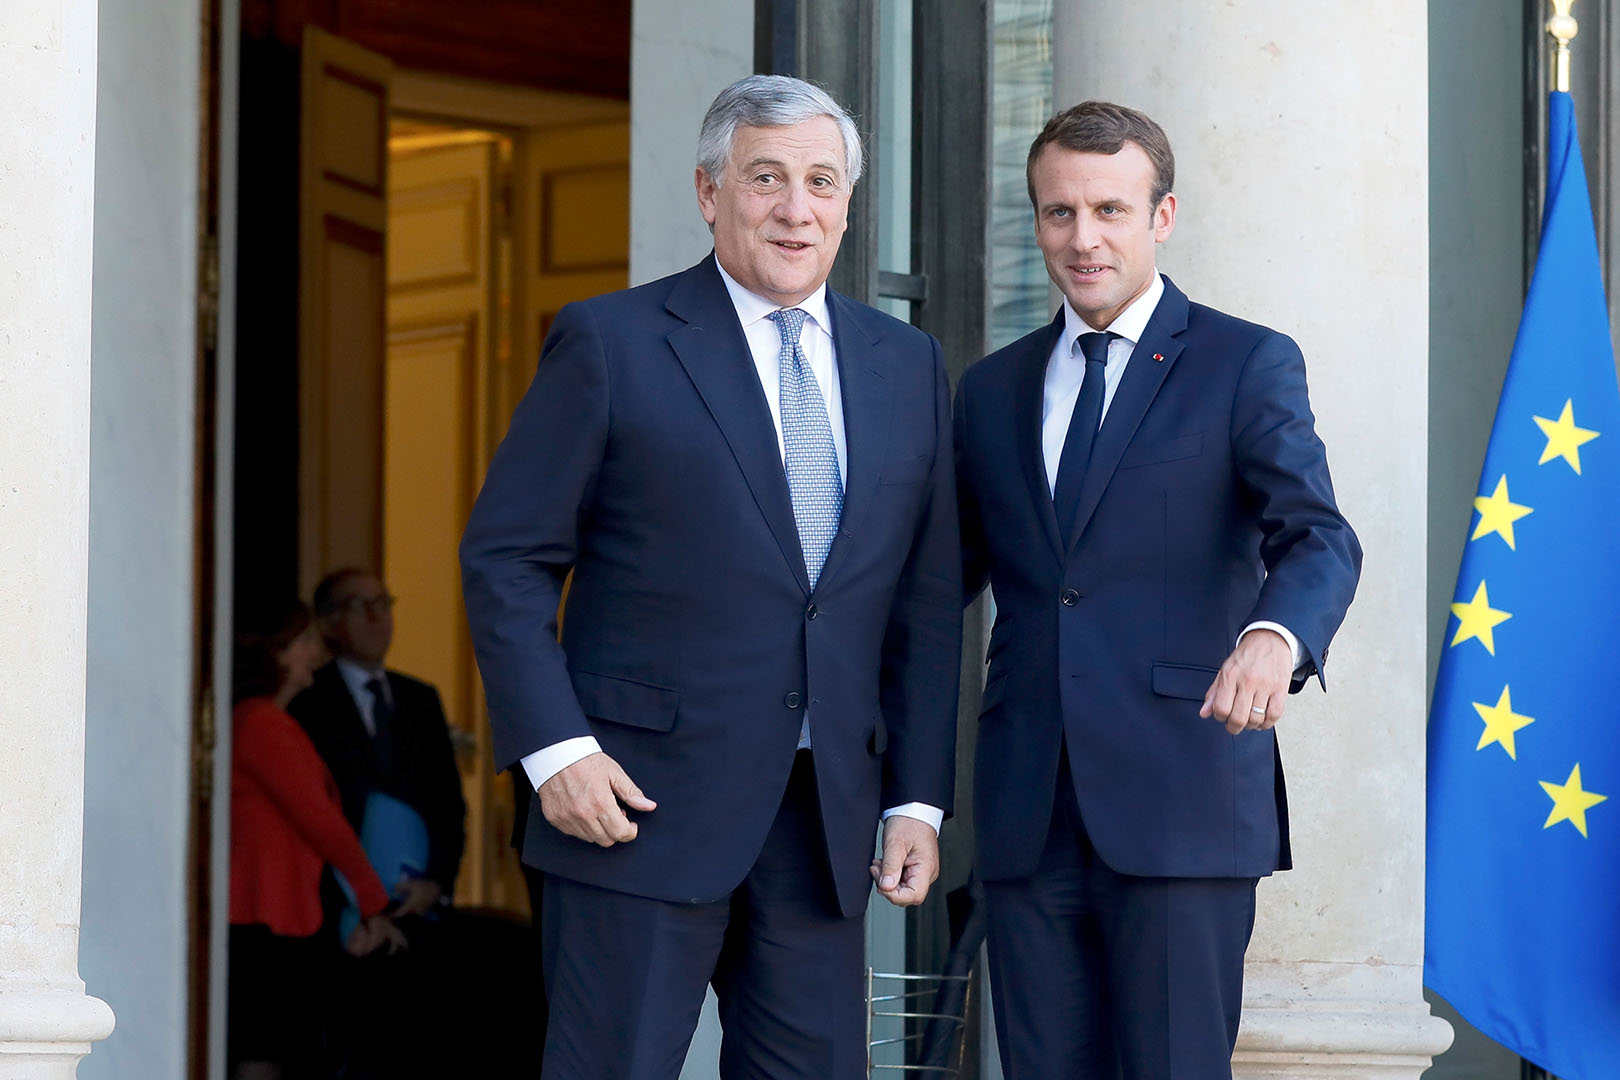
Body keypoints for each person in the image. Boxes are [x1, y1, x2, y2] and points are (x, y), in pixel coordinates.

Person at [459, 73, 962, 1079]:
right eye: (765, 177)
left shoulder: (906, 363)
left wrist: (916, 799)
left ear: (847, 205)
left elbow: (924, 599)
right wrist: (556, 752)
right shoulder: (612, 342)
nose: (795, 208)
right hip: (633, 807)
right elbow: (507, 558)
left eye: (821, 182)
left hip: (824, 824)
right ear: (708, 192)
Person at [953, 101, 1361, 1079]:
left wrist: (1273, 637)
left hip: (1185, 801)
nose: (1083, 238)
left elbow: (1318, 536)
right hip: (1026, 814)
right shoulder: (991, 388)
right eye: (1059, 212)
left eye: (1110, 210)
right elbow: (937, 590)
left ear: (1162, 216)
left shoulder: (1245, 360)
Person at [227, 601, 404, 1080]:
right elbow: (323, 824)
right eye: (304, 642)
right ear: (277, 654)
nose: (316, 652)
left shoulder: (264, 719)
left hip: (275, 912)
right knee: (266, 1050)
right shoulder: (262, 722)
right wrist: (374, 901)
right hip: (265, 915)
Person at [290, 567, 466, 917]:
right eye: (360, 605)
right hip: (336, 910)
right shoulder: (307, 699)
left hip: (418, 907)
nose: (377, 617)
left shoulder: (421, 698)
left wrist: (436, 883)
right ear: (328, 623)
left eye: (383, 603)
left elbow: (448, 803)